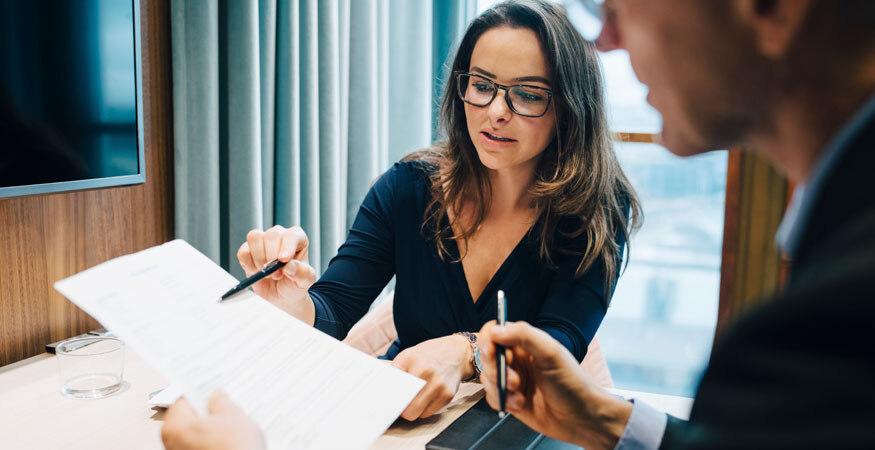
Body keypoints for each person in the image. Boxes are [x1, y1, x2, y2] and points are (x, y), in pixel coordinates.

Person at [162, 0, 639, 445]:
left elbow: (562, 343)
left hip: (516, 434)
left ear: (570, 108)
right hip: (405, 424)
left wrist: (466, 351)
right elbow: (334, 308)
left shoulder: (594, 212)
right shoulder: (408, 188)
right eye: (482, 85)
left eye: (528, 95)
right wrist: (296, 304)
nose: (495, 112)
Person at [475, 0, 875, 449]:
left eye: (620, 9)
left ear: (771, 10)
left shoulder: (833, 325)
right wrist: (599, 417)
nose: (605, 42)